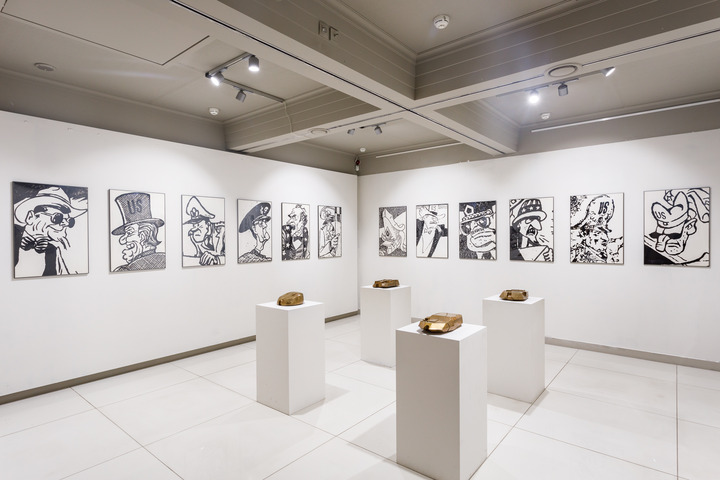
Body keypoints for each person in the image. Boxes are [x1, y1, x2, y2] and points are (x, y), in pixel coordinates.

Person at [13, 185, 87, 277]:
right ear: (31, 217)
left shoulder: (54, 250)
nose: (64, 224)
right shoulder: (10, 237)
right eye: (57, 218)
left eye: (69, 221)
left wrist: (66, 251)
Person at [111, 191, 166, 271]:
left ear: (143, 235)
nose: (122, 240)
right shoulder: (165, 260)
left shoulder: (126, 270)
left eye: (129, 233)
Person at [183, 196, 225, 266]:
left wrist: (215, 258)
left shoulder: (221, 232)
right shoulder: (195, 236)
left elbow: (228, 257)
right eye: (194, 225)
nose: (195, 229)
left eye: (199, 225)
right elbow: (198, 257)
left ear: (208, 225)